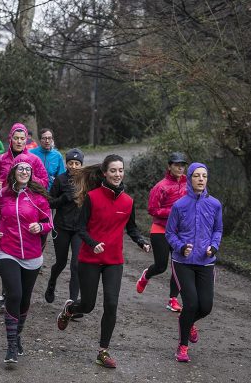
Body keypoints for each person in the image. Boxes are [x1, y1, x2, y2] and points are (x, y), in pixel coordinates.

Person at [56, 154, 150, 368]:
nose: (118, 174)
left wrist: (141, 241)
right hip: (89, 258)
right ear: (105, 173)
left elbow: (132, 227)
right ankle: (70, 310)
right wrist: (92, 243)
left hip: (114, 260)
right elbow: (80, 228)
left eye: (121, 170)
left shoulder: (128, 201)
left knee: (111, 304)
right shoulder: (93, 197)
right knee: (87, 305)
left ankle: (103, 351)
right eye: (114, 171)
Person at [0, 154, 53, 363]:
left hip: (32, 255)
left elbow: (49, 221)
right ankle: (11, 346)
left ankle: (18, 335)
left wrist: (40, 227)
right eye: (20, 169)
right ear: (13, 172)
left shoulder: (38, 196)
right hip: (6, 250)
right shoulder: (2, 195)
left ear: (31, 174)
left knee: (24, 299)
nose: (24, 172)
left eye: (27, 170)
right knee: (14, 294)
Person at [165, 162, 223, 363]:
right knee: (191, 303)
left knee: (205, 306)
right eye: (196, 175)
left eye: (204, 176)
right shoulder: (179, 205)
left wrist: (214, 246)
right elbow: (170, 233)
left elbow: (218, 230)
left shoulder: (215, 204)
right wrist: (181, 247)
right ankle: (182, 347)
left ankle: (188, 323)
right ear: (189, 178)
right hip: (183, 262)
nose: (200, 179)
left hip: (206, 262)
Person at [0, 122, 49, 308]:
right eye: (16, 138)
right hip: (6, 206)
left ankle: (14, 293)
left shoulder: (34, 160)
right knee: (8, 247)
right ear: (10, 139)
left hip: (29, 207)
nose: (20, 141)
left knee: (25, 245)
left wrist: (26, 178)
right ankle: (8, 293)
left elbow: (45, 181)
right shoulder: (0, 159)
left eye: (23, 139)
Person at [136, 152, 188, 312]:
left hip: (180, 233)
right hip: (161, 230)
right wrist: (173, 211)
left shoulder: (189, 185)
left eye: (182, 165)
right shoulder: (161, 186)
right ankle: (146, 275)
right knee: (161, 266)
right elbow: (152, 210)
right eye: (176, 164)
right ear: (169, 166)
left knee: (179, 267)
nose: (180, 167)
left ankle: (172, 299)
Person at [44, 148, 83, 308]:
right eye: (70, 163)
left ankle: (72, 302)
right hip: (61, 227)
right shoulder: (60, 180)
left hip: (79, 229)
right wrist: (64, 198)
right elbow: (49, 202)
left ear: (81, 164)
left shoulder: (86, 181)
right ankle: (52, 282)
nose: (73, 166)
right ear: (66, 164)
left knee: (76, 264)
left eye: (77, 163)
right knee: (61, 262)